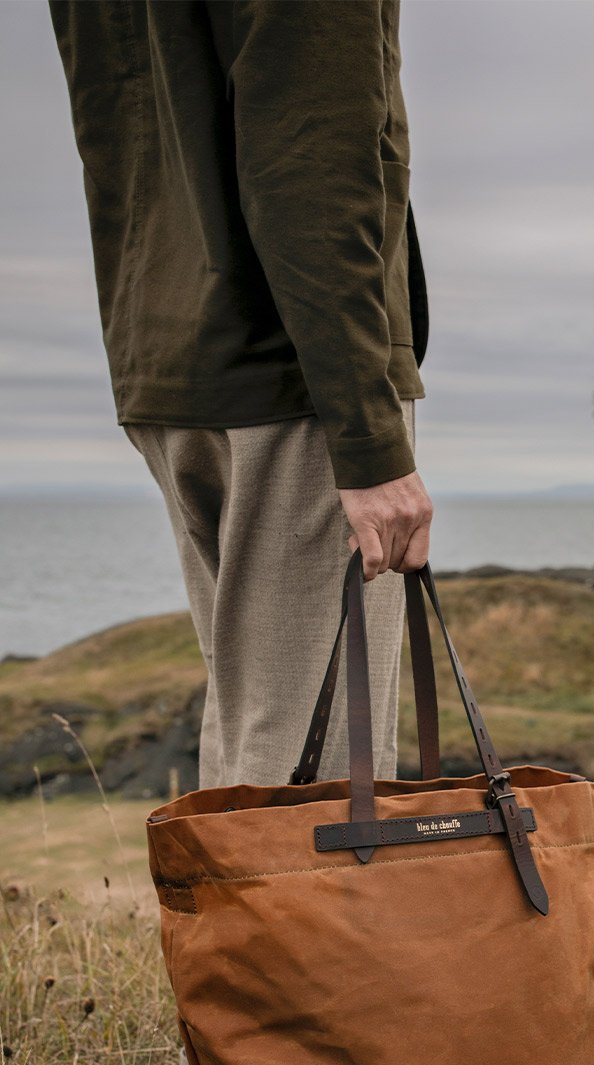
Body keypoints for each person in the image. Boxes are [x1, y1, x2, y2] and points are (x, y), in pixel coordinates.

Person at [48, 0, 433, 792]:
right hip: (295, 374)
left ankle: (237, 923)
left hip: (172, 351)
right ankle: (298, 923)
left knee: (260, 738)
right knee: (316, 782)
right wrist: (367, 437)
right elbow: (311, 158)